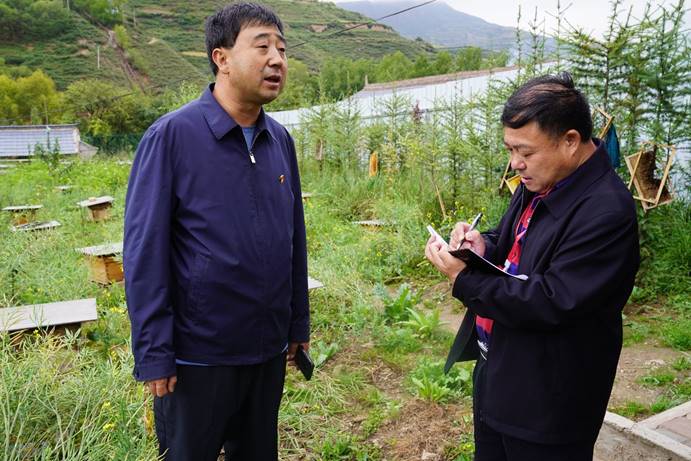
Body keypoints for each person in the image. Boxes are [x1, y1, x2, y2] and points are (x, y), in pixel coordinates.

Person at [123, 3, 309, 460]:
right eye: (262, 47)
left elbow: (293, 239)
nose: (277, 60)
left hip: (265, 351)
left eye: (282, 49)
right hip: (197, 357)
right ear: (221, 58)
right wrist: (154, 352)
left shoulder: (279, 140)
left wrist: (297, 323)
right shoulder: (172, 137)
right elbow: (144, 252)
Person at [425, 72, 639, 460]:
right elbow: (512, 242)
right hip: (500, 371)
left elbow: (553, 300)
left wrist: (464, 279)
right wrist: (481, 246)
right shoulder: (541, 180)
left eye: (524, 152)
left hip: (549, 404)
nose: (515, 164)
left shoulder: (606, 211)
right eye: (510, 150)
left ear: (570, 141)